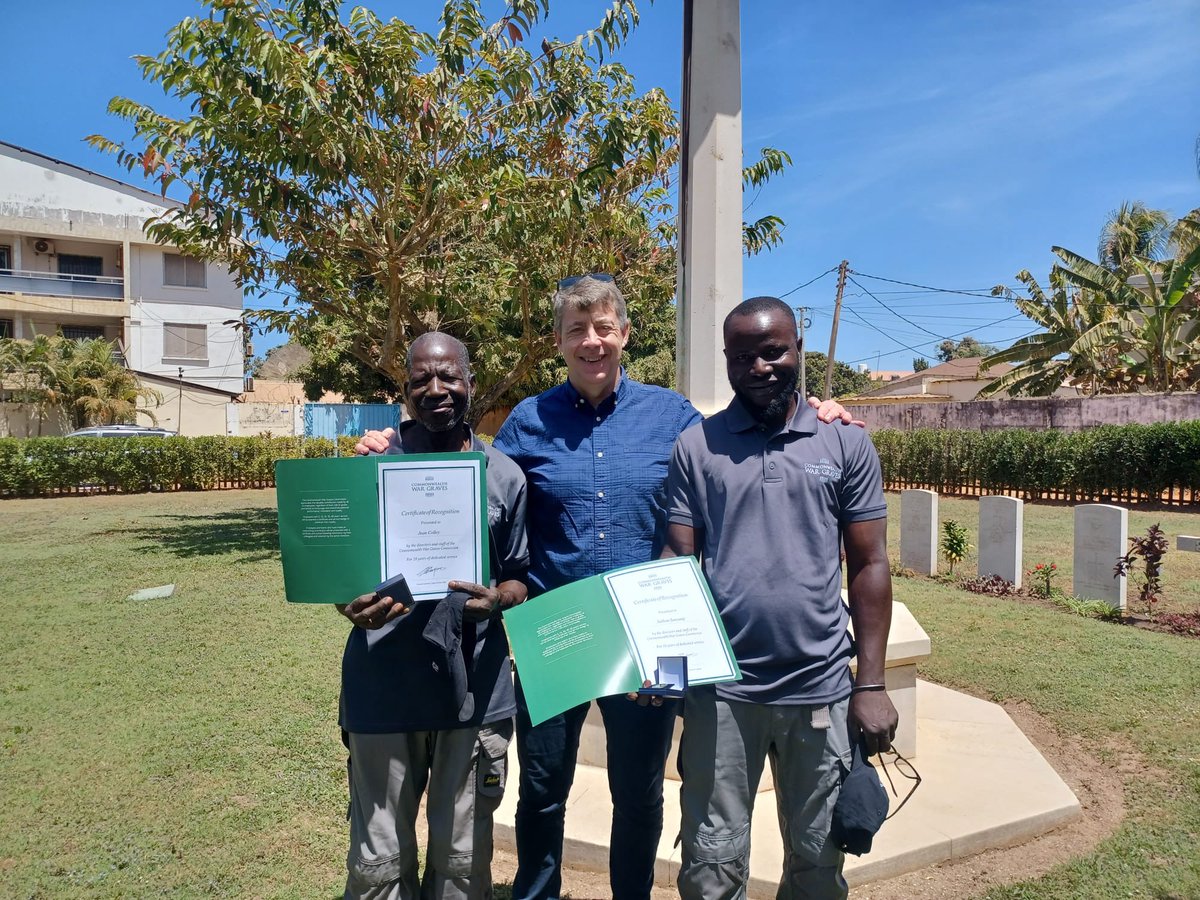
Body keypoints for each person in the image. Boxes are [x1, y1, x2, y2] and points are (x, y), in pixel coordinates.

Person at [357, 276, 856, 900]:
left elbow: (744, 431)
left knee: (640, 792)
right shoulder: (527, 422)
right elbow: (472, 479)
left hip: (645, 637)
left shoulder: (675, 418)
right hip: (554, 633)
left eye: (602, 328)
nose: (591, 341)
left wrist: (817, 411)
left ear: (624, 334)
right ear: (559, 343)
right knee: (543, 790)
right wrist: (394, 442)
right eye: (576, 330)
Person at [662, 296, 897, 900]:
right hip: (722, 693)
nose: (760, 367)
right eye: (743, 357)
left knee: (818, 862)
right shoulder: (697, 446)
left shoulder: (843, 442)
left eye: (774, 352)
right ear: (727, 360)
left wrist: (870, 684)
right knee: (711, 865)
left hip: (819, 688)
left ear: (798, 350)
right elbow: (677, 563)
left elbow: (870, 563)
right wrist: (666, 666)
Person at [337, 331, 530, 900]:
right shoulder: (370, 465)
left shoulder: (503, 474)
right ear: (405, 388)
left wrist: (499, 599)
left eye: (448, 376)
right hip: (383, 688)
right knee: (378, 861)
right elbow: (338, 573)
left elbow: (520, 574)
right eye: (421, 378)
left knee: (462, 862)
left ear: (470, 382)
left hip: (474, 694)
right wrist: (348, 605)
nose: (436, 389)